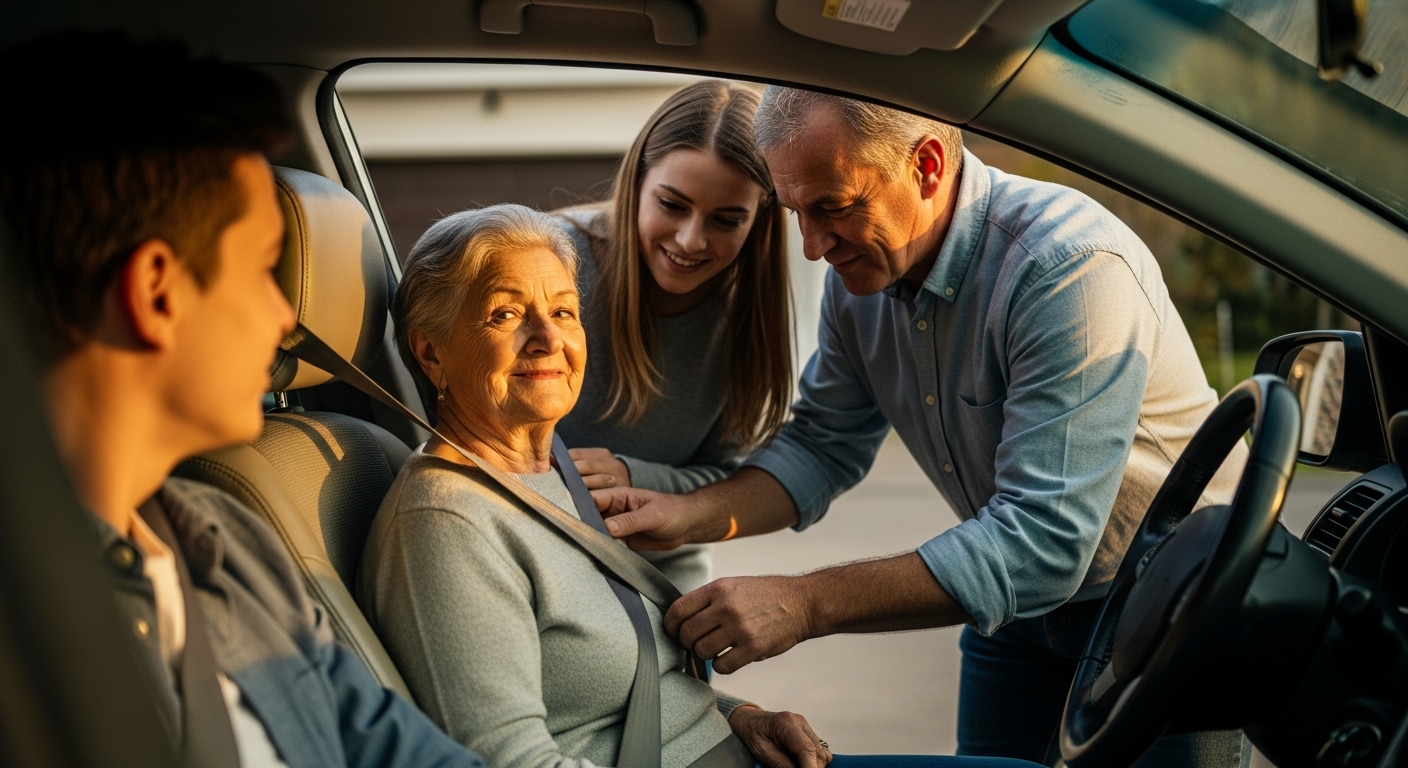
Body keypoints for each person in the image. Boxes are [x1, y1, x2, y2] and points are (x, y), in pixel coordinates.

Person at [593, 89, 1252, 768]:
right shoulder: (863, 283)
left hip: (1166, 604)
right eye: (796, 213)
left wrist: (803, 602)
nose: (813, 248)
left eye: (834, 208)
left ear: (929, 165)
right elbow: (822, 445)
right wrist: (685, 513)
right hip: (1017, 614)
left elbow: (1044, 542)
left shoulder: (1067, 266)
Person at [358, 204, 1040, 768]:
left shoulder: (551, 470)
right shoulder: (447, 523)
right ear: (430, 352)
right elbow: (510, 759)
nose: (546, 339)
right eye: (506, 315)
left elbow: (635, 687)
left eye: (563, 311)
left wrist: (739, 716)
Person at [0, 31, 487, 768]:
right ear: (156, 292)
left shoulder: (229, 547)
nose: (286, 316)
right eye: (264, 268)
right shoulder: (29, 642)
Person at [554, 80, 793, 592]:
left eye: (727, 219)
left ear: (762, 219)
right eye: (672, 204)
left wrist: (632, 475)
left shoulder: (745, 319)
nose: (690, 240)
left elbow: (725, 479)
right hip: (533, 549)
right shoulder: (551, 259)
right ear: (637, 181)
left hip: (657, 574)